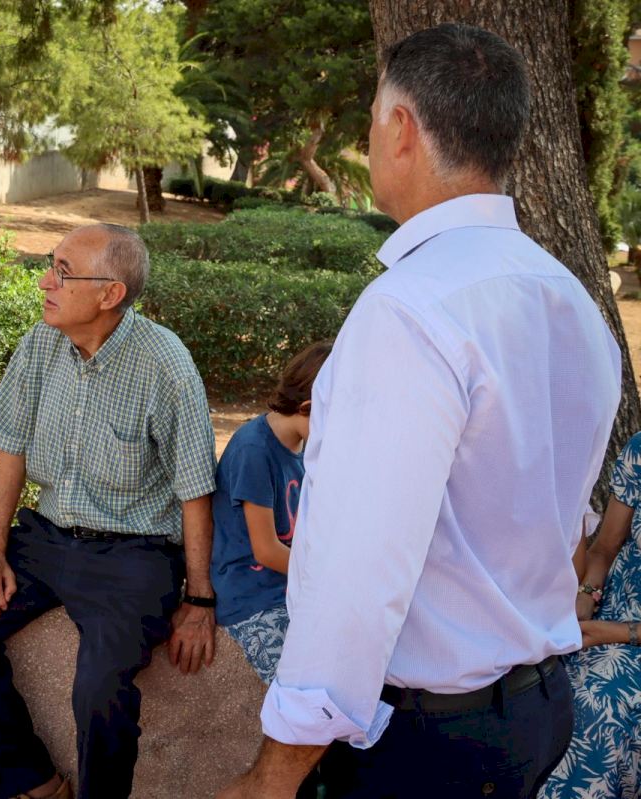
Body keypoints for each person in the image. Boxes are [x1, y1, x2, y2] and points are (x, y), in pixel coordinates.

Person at [216, 23, 621, 799]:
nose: (369, 138)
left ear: (401, 128)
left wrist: (276, 771)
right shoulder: (569, 299)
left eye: (372, 117)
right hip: (535, 709)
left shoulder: (410, 308)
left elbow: (358, 570)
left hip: (433, 740)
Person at [0, 224, 218, 799]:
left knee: (100, 688)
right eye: (49, 265)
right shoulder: (41, 341)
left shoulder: (164, 363)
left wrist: (199, 600)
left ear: (110, 294)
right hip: (46, 539)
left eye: (63, 272)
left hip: (134, 554)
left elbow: (194, 490)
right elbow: (10, 448)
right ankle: (32, 785)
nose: (44, 282)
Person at [211, 341, 331, 684]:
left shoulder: (303, 445)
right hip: (253, 597)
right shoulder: (254, 450)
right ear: (308, 407)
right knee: (301, 687)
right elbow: (265, 550)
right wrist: (328, 577)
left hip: (291, 585)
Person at [541, 433, 641, 799]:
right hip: (609, 614)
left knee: (598, 702)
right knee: (541, 683)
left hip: (621, 637)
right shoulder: (639, 450)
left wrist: (615, 633)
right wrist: (586, 592)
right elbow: (605, 548)